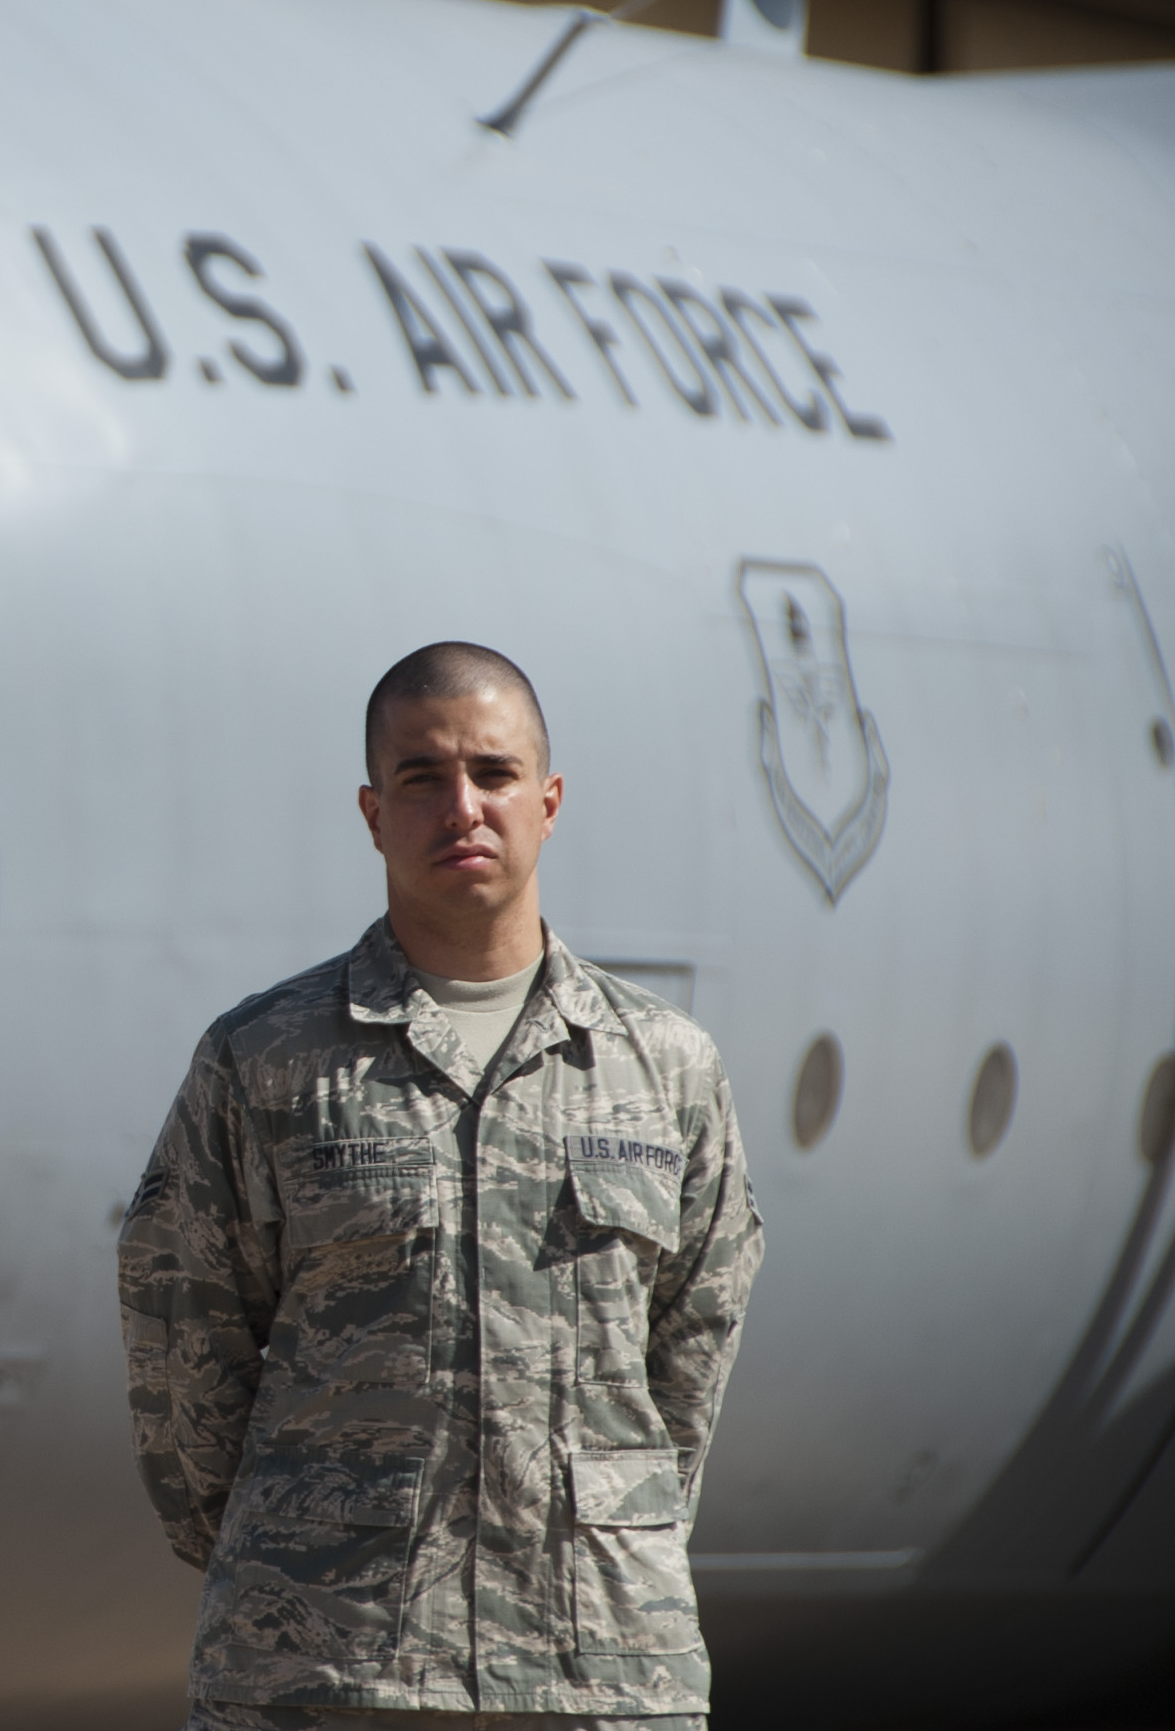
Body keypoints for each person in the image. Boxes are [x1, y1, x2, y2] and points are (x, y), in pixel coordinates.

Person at [118, 642, 763, 1731]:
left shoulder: (663, 1067)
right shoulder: (267, 1060)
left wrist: (605, 1523)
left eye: (494, 774)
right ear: (372, 813)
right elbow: (182, 1345)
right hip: (329, 1672)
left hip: (600, 1674)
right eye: (422, 778)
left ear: (548, 802)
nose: (463, 806)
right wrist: (301, 1543)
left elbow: (693, 1351)